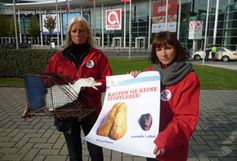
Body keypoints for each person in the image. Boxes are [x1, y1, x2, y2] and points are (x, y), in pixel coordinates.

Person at [22, 16, 112, 161]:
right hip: (67, 111)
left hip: (91, 111)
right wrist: (32, 105)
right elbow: (46, 82)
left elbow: (108, 81)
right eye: (74, 31)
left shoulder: (98, 56)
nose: (77, 34)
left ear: (87, 33)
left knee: (96, 152)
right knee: (74, 154)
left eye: (81, 30)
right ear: (69, 34)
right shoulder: (58, 57)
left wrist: (87, 86)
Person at [130, 31, 200, 161]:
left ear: (176, 48)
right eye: (159, 49)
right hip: (149, 142)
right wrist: (135, 80)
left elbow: (186, 118)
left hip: (171, 145)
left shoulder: (188, 78)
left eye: (168, 48)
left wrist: (164, 139)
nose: (163, 53)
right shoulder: (149, 73)